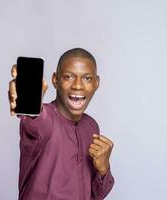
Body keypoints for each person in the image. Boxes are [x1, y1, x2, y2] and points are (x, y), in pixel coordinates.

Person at [8, 48, 115, 200]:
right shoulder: (45, 121)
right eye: (68, 77)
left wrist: (103, 169)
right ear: (55, 80)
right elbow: (35, 120)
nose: (78, 85)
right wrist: (27, 100)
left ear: (96, 83)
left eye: (87, 78)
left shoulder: (91, 127)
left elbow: (94, 196)